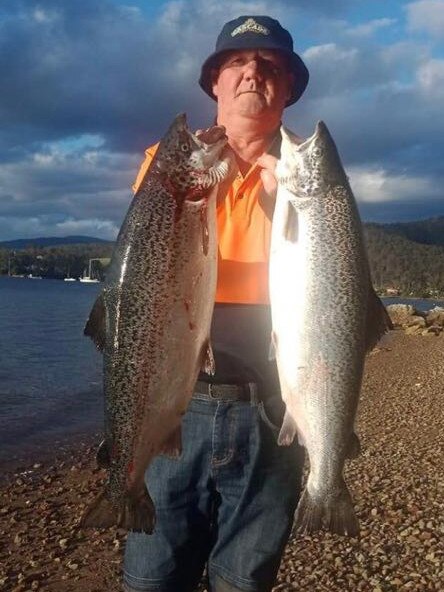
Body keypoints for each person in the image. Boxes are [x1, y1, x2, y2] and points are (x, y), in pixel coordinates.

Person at [123, 15, 309, 592]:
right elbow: (148, 281)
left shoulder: (308, 173)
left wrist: (290, 205)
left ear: (286, 90)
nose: (253, 72)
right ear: (216, 85)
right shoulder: (170, 162)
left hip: (275, 410)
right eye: (238, 63)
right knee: (153, 578)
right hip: (178, 401)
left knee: (244, 581)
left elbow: (324, 281)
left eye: (270, 66)